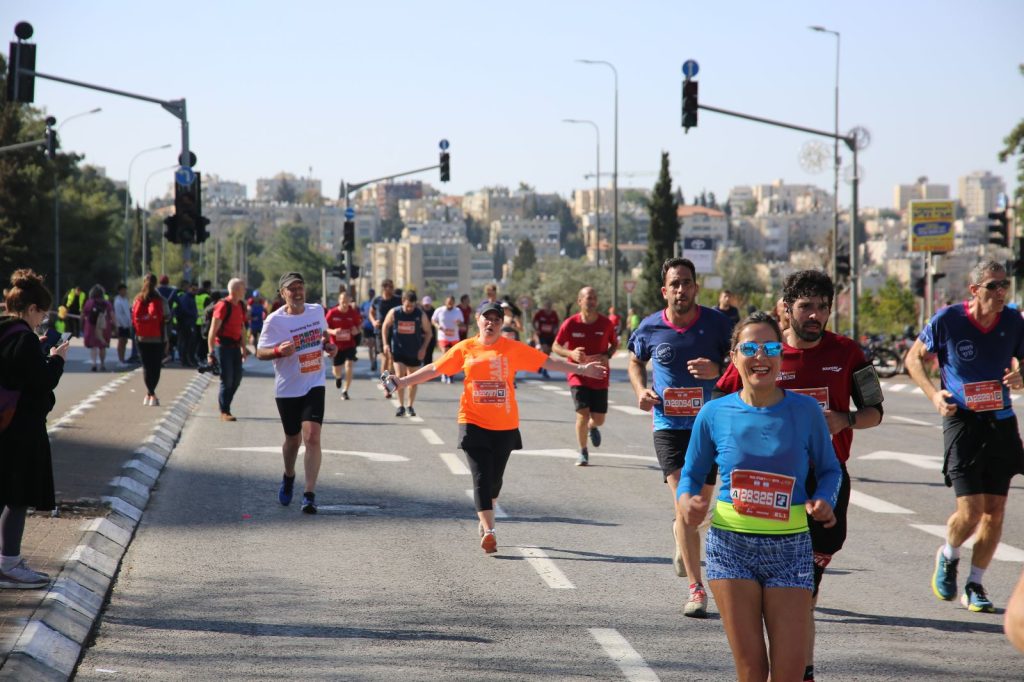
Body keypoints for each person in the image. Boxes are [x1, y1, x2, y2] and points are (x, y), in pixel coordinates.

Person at [715, 269, 884, 682]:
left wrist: (842, 419)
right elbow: (724, 401)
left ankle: (794, 661)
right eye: (806, 306)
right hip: (769, 484)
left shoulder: (848, 353)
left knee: (807, 580)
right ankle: (799, 666)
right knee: (789, 583)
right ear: (785, 308)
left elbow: (875, 412)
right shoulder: (763, 353)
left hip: (825, 480)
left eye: (823, 307)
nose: (815, 315)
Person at [678, 311, 841, 682]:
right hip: (731, 548)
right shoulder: (714, 413)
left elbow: (830, 469)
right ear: (734, 356)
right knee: (752, 671)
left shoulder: (805, 411)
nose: (760, 356)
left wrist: (824, 498)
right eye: (749, 348)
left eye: (770, 347)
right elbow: (691, 473)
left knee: (789, 672)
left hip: (790, 548)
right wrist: (687, 500)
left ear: (781, 355)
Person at [385, 301, 607, 553]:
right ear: (477, 320)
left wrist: (581, 369)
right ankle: (489, 530)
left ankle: (486, 515)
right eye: (486, 318)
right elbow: (435, 368)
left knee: (495, 480)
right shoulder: (465, 348)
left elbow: (547, 363)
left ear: (502, 324)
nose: (491, 323)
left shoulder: (512, 348)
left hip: (505, 425)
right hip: (472, 421)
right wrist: (402, 381)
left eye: (497, 320)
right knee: (480, 477)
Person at [905, 260, 1024, 614]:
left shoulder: (1014, 321)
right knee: (970, 512)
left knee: (996, 511)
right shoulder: (948, 320)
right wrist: (933, 395)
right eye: (993, 286)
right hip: (962, 420)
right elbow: (914, 359)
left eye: (1004, 285)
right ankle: (949, 553)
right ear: (974, 291)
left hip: (1001, 421)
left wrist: (1021, 378)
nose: (1001, 292)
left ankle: (975, 584)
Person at [627, 257, 733, 618]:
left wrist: (718, 370)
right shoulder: (651, 327)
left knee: (698, 508)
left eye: (686, 283)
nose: (681, 290)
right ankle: (696, 588)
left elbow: (742, 363)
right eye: (674, 284)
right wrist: (641, 390)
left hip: (709, 427)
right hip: (668, 427)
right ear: (664, 290)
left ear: (696, 288)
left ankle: (681, 533)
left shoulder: (719, 325)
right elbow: (634, 360)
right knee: (687, 505)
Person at [0, 269, 69, 589]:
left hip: (4, 423)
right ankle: (10, 563)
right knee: (17, 496)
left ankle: (7, 561)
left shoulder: (7, 331)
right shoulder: (23, 337)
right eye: (41, 313)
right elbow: (41, 381)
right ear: (30, 309)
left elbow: (16, 370)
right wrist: (56, 359)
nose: (42, 319)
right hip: (20, 428)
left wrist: (38, 350)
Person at [256, 272, 337, 514]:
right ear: (283, 293)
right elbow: (260, 352)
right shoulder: (274, 321)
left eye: (301, 287)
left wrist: (328, 346)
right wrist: (278, 351)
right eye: (292, 289)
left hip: (314, 382)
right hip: (287, 388)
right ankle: (289, 475)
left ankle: (309, 494)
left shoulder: (316, 311)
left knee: (312, 436)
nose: (298, 292)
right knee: (293, 439)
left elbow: (322, 337)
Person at [553, 286, 619, 467]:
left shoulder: (606, 324)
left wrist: (608, 355)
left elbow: (615, 343)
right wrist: (571, 353)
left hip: (599, 375)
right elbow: (556, 346)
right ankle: (583, 451)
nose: (591, 301)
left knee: (599, 418)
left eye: (594, 298)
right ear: (579, 301)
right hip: (578, 374)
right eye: (587, 298)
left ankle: (593, 426)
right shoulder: (570, 323)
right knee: (582, 413)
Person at [381, 290, 432, 417]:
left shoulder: (420, 314)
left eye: (412, 305)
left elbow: (429, 332)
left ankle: (410, 405)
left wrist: (423, 349)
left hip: (414, 350)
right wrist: (385, 344)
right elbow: (385, 326)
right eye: (407, 305)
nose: (409, 308)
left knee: (413, 380)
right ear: (402, 302)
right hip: (398, 350)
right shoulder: (395, 312)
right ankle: (400, 406)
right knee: (399, 375)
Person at [207, 277, 249, 422]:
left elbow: (242, 329)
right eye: (243, 287)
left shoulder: (241, 306)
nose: (245, 290)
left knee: (237, 379)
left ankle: (226, 406)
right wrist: (210, 352)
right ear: (236, 290)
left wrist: (244, 349)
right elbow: (213, 331)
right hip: (222, 347)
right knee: (227, 379)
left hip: (235, 347)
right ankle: (224, 411)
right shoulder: (223, 305)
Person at [132, 274, 166, 406]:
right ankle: (152, 393)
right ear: (156, 283)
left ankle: (149, 394)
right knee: (156, 366)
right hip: (157, 338)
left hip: (141, 338)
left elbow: (133, 319)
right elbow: (167, 317)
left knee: (146, 366)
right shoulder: (160, 300)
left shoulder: (137, 299)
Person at [325, 290, 361, 400]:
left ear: (350, 301)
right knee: (336, 369)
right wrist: (333, 331)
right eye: (342, 301)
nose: (345, 304)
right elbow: (325, 328)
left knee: (349, 364)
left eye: (347, 302)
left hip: (349, 344)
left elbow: (359, 326)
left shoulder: (353, 313)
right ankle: (338, 377)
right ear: (339, 301)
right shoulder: (332, 312)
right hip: (335, 346)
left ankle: (345, 390)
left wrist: (356, 330)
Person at [370, 279, 401, 376]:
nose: (391, 289)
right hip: (380, 331)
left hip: (394, 331)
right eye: (389, 287)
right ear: (384, 288)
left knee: (392, 357)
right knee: (385, 357)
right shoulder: (377, 300)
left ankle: (390, 378)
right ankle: (384, 381)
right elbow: (371, 312)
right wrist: (373, 321)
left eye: (392, 287)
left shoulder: (397, 299)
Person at [432, 295, 464, 384]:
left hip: (454, 337)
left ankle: (450, 375)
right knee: (445, 353)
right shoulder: (439, 310)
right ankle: (443, 373)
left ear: (454, 303)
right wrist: (438, 326)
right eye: (448, 302)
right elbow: (433, 320)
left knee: (452, 357)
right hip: (443, 336)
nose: (450, 304)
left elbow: (462, 323)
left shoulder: (457, 311)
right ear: (445, 302)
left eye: (451, 302)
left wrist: (459, 323)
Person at [82, 284, 113, 372]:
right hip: (104, 327)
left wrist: (81, 324)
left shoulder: (89, 302)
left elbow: (83, 314)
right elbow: (112, 315)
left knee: (93, 346)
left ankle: (94, 364)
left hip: (91, 326)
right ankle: (102, 364)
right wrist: (115, 326)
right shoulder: (107, 303)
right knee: (102, 346)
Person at [532, 299, 560, 379]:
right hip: (542, 335)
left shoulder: (554, 314)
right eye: (546, 306)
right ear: (544, 306)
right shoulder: (540, 313)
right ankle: (545, 371)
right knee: (544, 350)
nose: (548, 307)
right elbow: (534, 322)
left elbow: (557, 324)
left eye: (549, 306)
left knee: (548, 353)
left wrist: (556, 331)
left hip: (551, 336)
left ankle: (540, 367)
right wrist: (536, 329)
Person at [174, 281, 199, 367]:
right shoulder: (186, 298)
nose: (195, 291)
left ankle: (187, 359)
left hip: (190, 322)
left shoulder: (191, 297)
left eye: (196, 289)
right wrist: (193, 315)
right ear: (189, 288)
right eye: (193, 289)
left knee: (189, 342)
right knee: (186, 342)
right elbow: (184, 309)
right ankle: (184, 360)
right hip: (186, 323)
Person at [113, 283, 133, 367]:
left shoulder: (125, 300)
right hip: (121, 325)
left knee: (125, 342)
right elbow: (118, 315)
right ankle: (120, 360)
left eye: (125, 290)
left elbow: (128, 312)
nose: (125, 292)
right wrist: (120, 325)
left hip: (127, 324)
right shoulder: (118, 301)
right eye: (123, 290)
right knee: (121, 342)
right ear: (119, 291)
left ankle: (123, 359)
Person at [360, 289, 377, 373]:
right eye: (369, 293)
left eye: (372, 293)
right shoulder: (364, 303)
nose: (371, 295)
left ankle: (375, 359)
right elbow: (360, 313)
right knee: (370, 345)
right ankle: (372, 362)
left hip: (376, 326)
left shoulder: (377, 303)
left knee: (375, 346)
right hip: (367, 326)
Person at [421, 295, 437, 364]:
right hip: (421, 336)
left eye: (428, 304)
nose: (427, 306)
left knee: (429, 354)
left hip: (431, 336)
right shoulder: (420, 311)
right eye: (425, 304)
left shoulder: (434, 311)